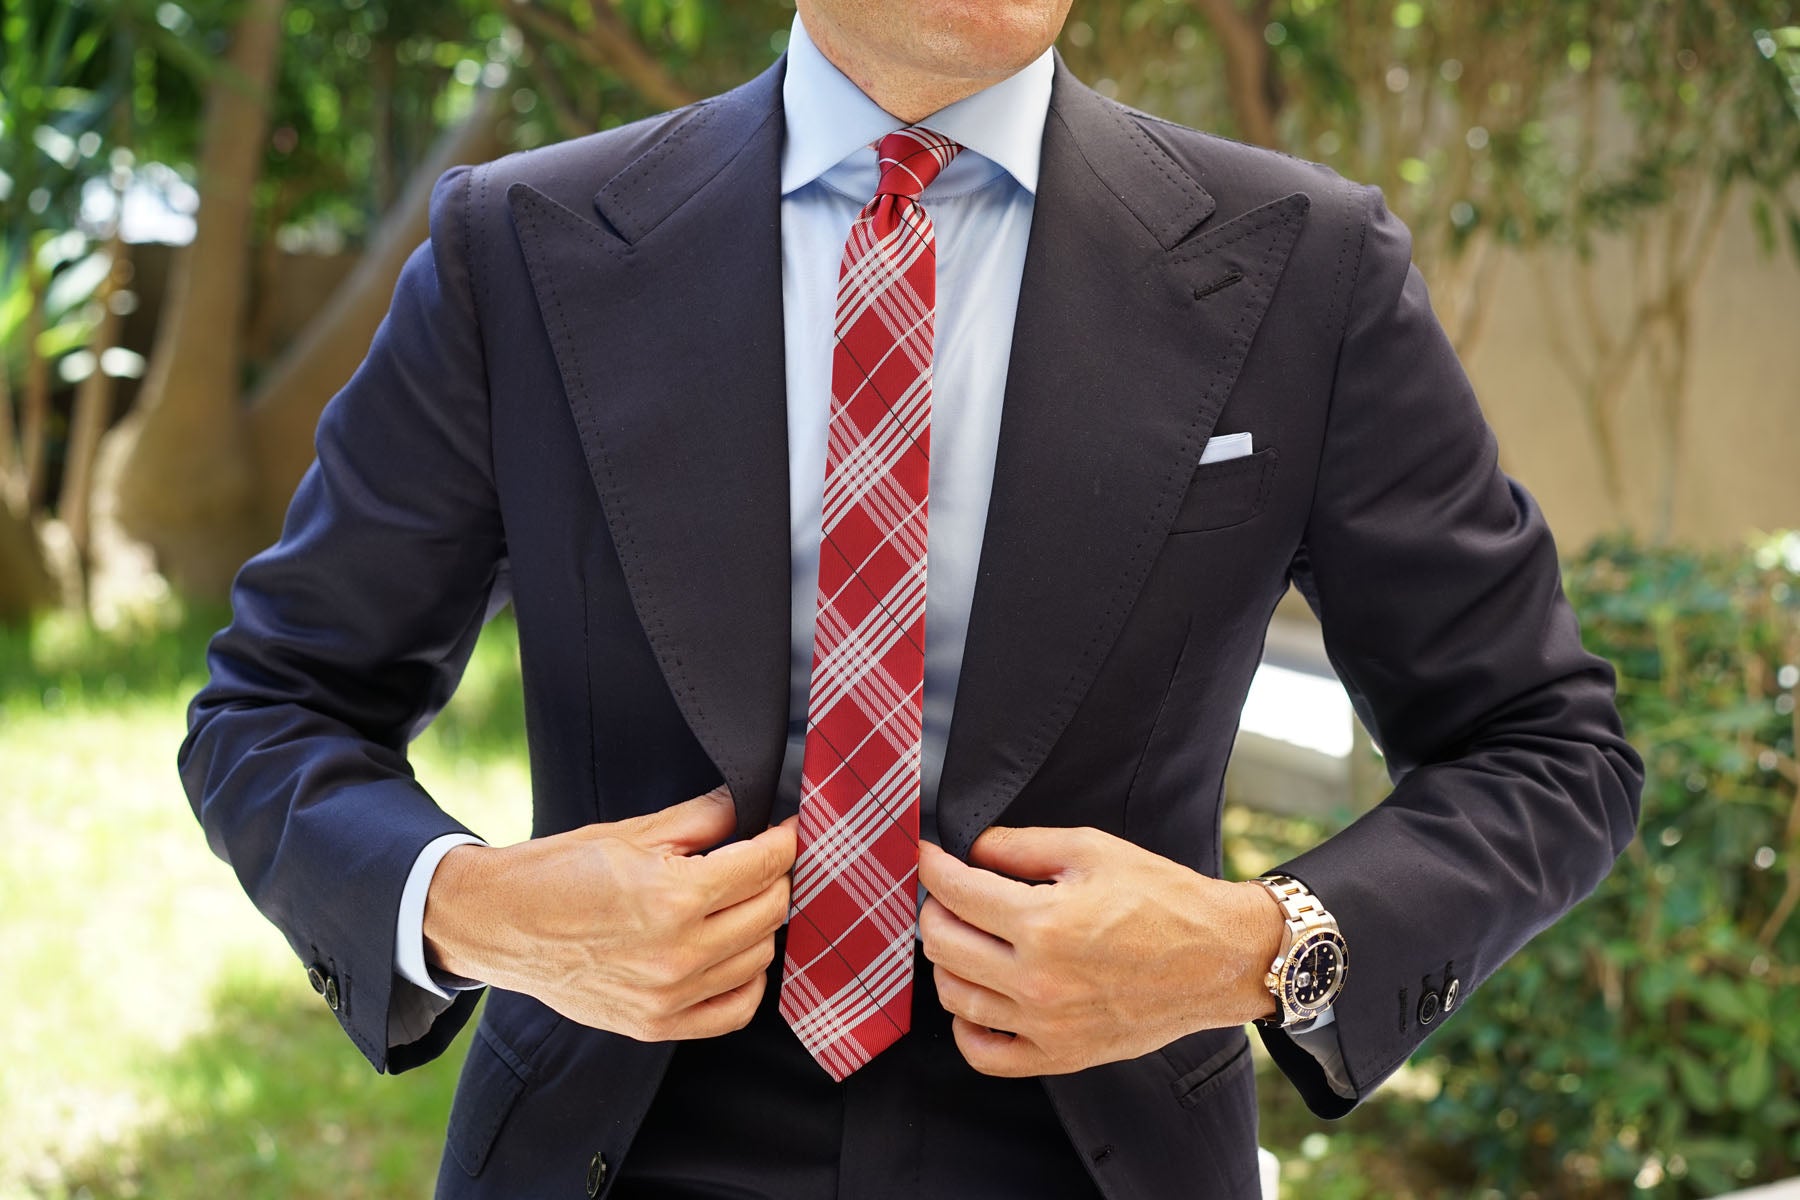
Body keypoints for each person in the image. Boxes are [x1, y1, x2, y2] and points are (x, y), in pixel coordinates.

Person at [178, 1, 1644, 1196]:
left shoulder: (1305, 271)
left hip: (1108, 1157)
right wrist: (482, 911)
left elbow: (1547, 748)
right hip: (608, 1149)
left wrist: (1259, 947)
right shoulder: (520, 248)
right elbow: (275, 706)